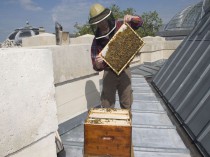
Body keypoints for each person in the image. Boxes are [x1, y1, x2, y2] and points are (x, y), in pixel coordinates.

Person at [89, 3, 143, 109]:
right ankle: (110, 125)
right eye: (98, 21)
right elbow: (96, 67)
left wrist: (132, 18)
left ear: (106, 16)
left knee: (126, 102)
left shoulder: (119, 25)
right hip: (108, 72)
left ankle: (127, 124)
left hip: (125, 70)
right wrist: (98, 63)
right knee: (107, 104)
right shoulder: (96, 41)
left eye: (102, 19)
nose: (101, 22)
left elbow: (139, 22)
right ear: (95, 23)